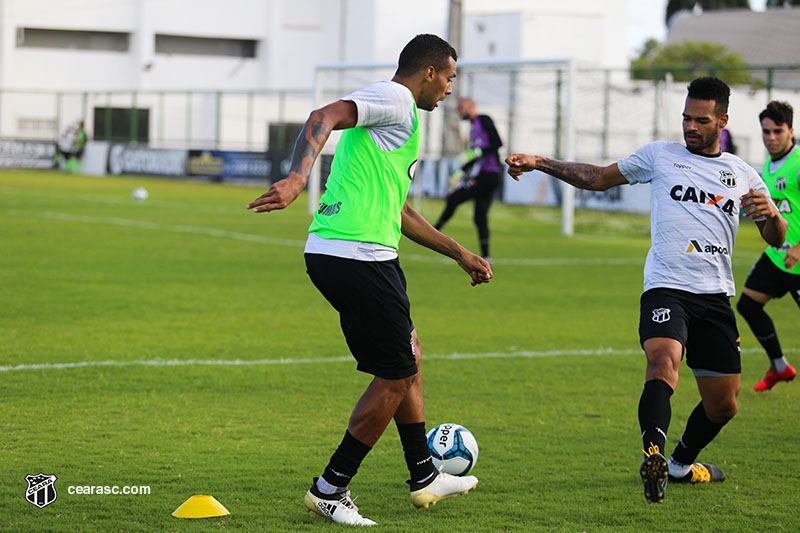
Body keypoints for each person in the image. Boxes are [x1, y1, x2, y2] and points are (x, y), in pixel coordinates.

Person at [247, 34, 491, 526]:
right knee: (397, 374)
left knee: (410, 355)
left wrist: (460, 253)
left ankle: (424, 475)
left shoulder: (402, 124)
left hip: (353, 254)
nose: (449, 88)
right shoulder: (397, 98)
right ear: (428, 72)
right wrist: (297, 178)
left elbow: (400, 211)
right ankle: (330, 488)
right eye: (448, 77)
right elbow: (323, 116)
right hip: (358, 256)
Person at [505, 77, 786, 504]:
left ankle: (679, 463)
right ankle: (652, 455)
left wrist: (770, 216)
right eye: (686, 117)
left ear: (723, 121)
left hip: (714, 297)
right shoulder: (660, 156)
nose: (691, 126)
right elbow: (598, 177)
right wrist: (540, 161)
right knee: (662, 363)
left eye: (702, 120)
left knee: (723, 406)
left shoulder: (742, 174)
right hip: (666, 288)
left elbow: (775, 237)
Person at [737, 101, 800, 391]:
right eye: (766, 131)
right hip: (778, 256)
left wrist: (799, 247)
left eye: (778, 131)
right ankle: (779, 367)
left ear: (791, 130)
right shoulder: (769, 163)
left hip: (797, 259)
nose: (771, 137)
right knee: (748, 305)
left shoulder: (798, 162)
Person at [434, 98, 503, 263]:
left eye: (461, 108)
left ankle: (433, 232)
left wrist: (476, 153)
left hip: (490, 174)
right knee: (480, 217)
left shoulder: (484, 120)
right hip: (484, 175)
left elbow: (497, 143)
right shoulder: (472, 129)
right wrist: (461, 172)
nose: (459, 112)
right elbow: (474, 157)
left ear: (471, 106)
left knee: (454, 198)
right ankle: (486, 257)